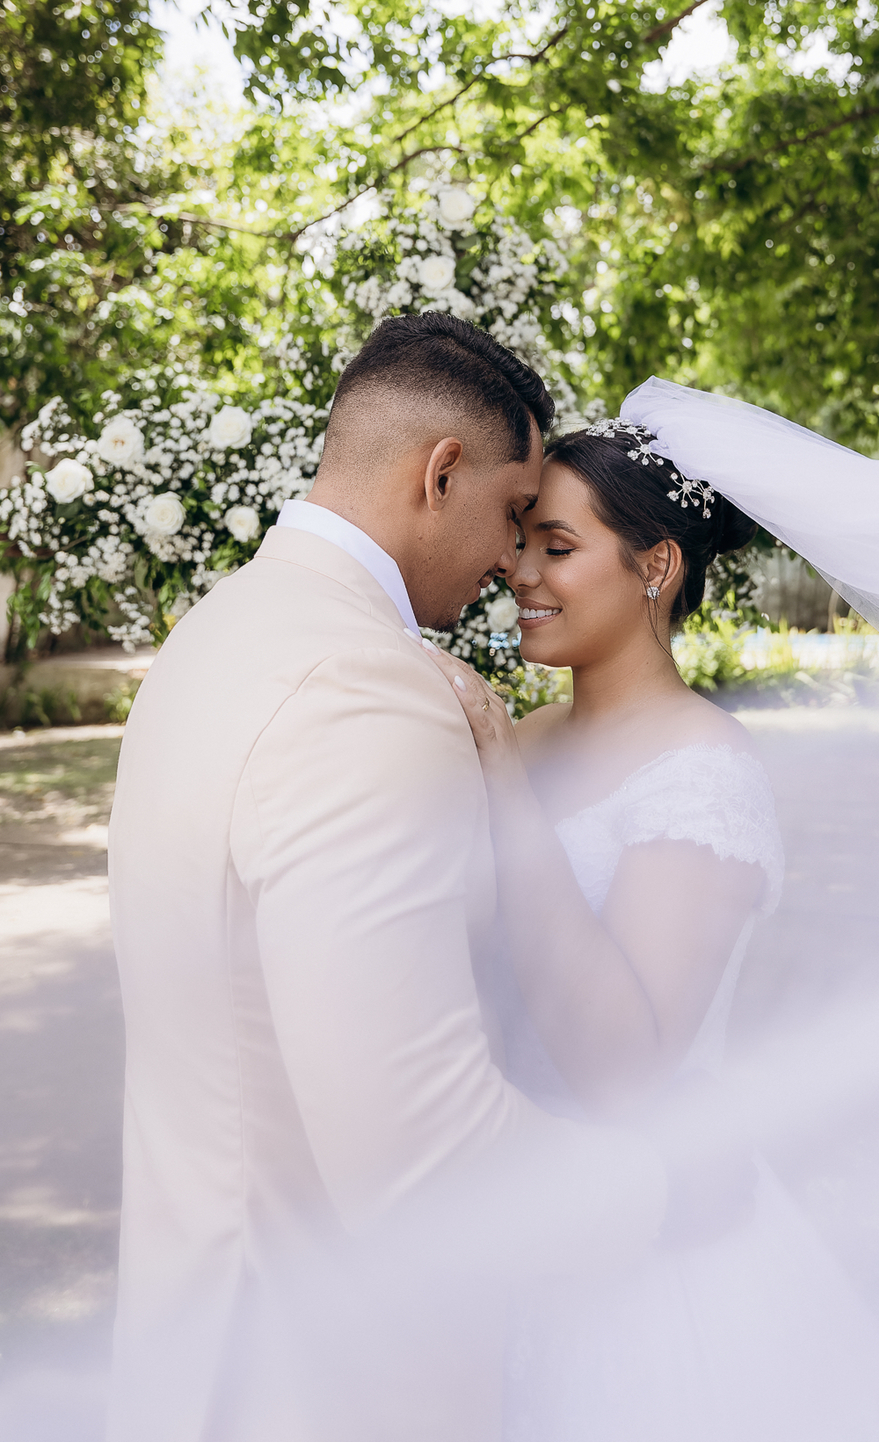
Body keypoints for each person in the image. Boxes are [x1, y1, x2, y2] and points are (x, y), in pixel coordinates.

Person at [104, 316, 664, 1442]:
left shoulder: (222, 631)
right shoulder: (363, 687)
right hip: (315, 1387)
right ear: (440, 472)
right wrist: (660, 1189)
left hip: (200, 1354)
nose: (513, 563)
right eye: (513, 516)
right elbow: (422, 1165)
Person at [429, 417, 879, 1442]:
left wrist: (500, 791)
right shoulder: (518, 738)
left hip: (652, 1255)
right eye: (522, 538)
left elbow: (622, 1065)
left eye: (559, 548)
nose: (520, 572)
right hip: (501, 1223)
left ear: (656, 566)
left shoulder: (702, 772)